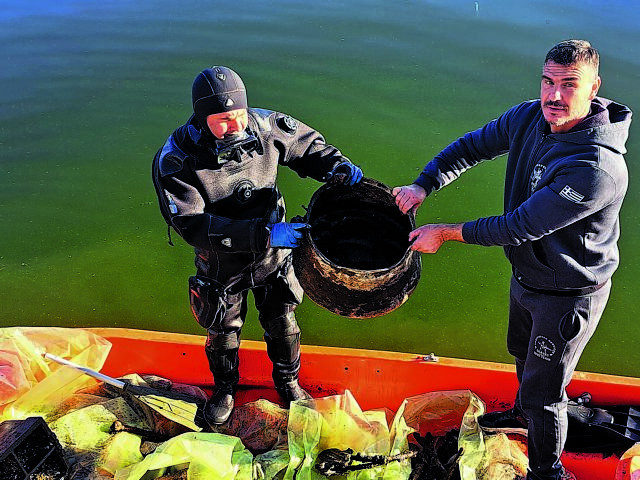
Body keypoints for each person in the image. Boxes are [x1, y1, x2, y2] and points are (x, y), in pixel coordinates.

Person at [393, 40, 631, 480]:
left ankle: (548, 470)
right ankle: (527, 416)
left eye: (568, 85)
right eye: (547, 81)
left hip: (568, 294)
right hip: (527, 276)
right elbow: (472, 146)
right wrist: (424, 184)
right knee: (520, 353)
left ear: (594, 87)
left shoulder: (597, 167)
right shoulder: (529, 116)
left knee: (545, 394)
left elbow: (520, 225)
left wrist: (444, 233)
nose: (553, 96)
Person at [152, 66, 363, 426]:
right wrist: (264, 234)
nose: (233, 126)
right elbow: (192, 225)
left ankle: (288, 382)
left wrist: (336, 166)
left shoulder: (266, 127)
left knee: (282, 320)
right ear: (202, 118)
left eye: (237, 116)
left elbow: (307, 147)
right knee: (223, 329)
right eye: (221, 120)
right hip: (221, 260)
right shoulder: (176, 160)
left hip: (274, 254)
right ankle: (225, 389)